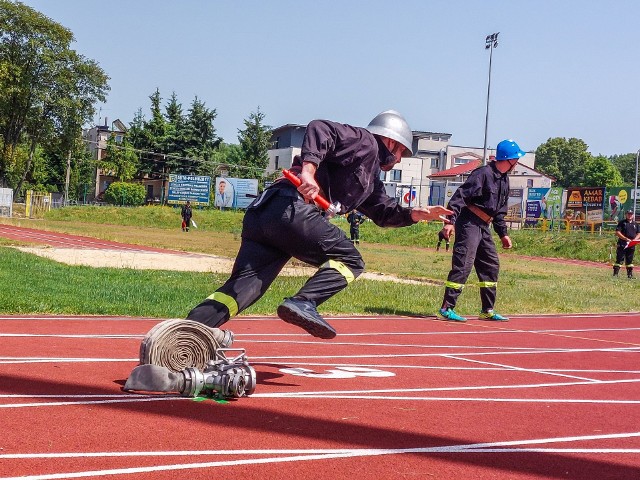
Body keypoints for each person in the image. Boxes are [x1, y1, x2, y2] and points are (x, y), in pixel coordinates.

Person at [186, 110, 452, 339]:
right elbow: (321, 128)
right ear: (390, 142)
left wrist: (417, 214)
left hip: (264, 215)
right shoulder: (365, 143)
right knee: (351, 261)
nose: (400, 160)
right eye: (401, 152)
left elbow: (383, 212)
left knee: (244, 288)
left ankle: (186, 334)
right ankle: (304, 302)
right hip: (291, 208)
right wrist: (308, 172)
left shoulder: (370, 177)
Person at [436, 139, 524, 323]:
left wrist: (503, 234)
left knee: (491, 265)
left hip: (484, 226)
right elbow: (460, 196)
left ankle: (487, 310)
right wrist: (450, 222)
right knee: (464, 263)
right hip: (469, 222)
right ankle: (447, 307)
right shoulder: (482, 174)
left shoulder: (504, 180)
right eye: (516, 158)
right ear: (508, 159)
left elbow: (499, 211)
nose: (517, 162)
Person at [613, 209, 640, 279]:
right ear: (626, 215)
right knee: (619, 259)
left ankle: (629, 275)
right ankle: (615, 274)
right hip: (622, 243)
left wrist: (635, 239)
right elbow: (617, 232)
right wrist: (625, 238)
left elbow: (638, 233)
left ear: (633, 215)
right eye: (628, 214)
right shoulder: (622, 223)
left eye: (631, 214)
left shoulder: (635, 224)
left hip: (631, 244)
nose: (630, 215)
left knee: (629, 260)